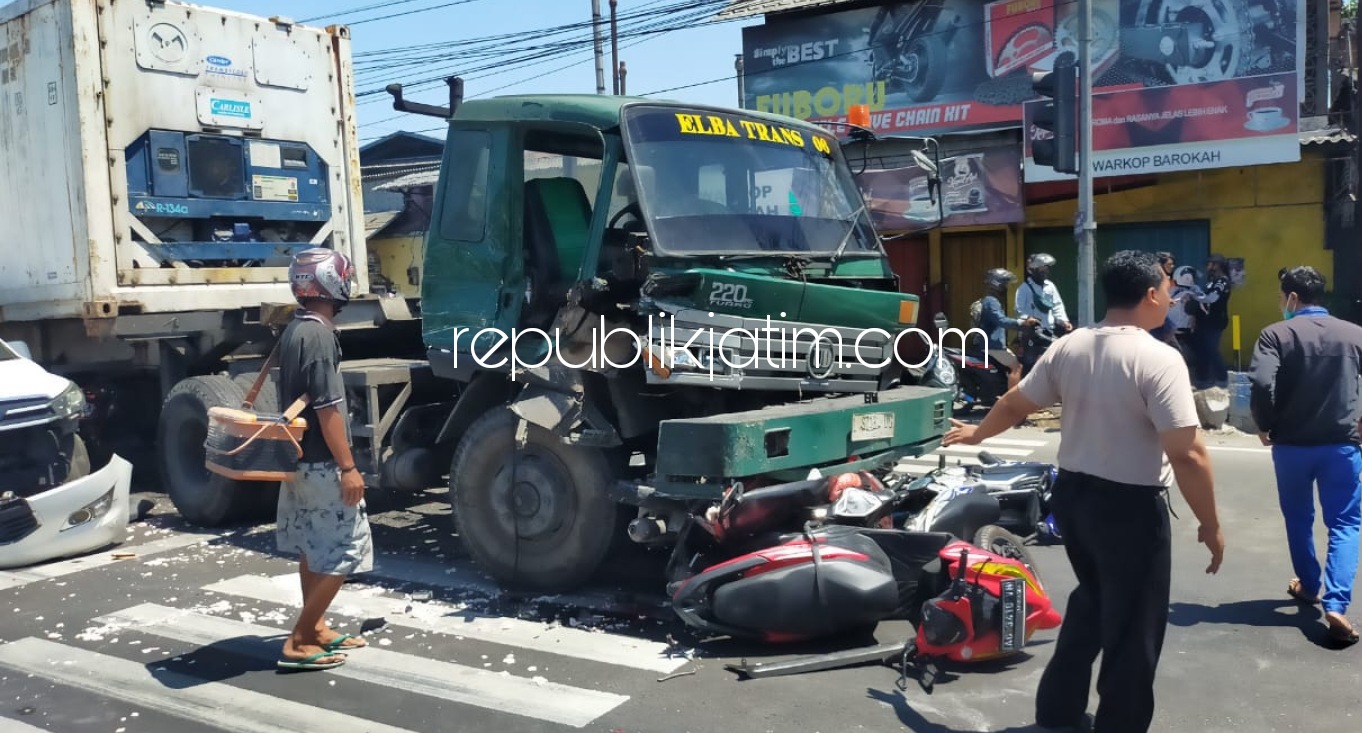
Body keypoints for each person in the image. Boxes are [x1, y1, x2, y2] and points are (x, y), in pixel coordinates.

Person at [944, 249, 1224, 733]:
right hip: (1129, 508)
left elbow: (1016, 401)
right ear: (1152, 294)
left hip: (1073, 500)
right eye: (1167, 285)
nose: (1171, 294)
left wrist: (977, 434)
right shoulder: (1158, 358)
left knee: (1094, 600)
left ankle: (1057, 710)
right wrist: (1211, 524)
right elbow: (1189, 453)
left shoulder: (1069, 347)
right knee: (1134, 630)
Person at [1248, 265, 1362, 646]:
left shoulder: (1275, 334)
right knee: (1345, 523)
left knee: (1298, 518)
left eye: (1283, 297)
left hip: (1292, 447)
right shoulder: (1354, 334)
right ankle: (1337, 603)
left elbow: (1263, 382)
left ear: (1292, 298)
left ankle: (1310, 586)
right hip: (1342, 446)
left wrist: (1265, 424)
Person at [274, 247, 375, 671]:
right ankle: (300, 638)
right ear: (333, 282)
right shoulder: (319, 335)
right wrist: (348, 468)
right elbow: (327, 408)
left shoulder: (296, 328)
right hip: (321, 463)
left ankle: (315, 628)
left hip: (298, 461)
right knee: (345, 547)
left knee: (313, 546)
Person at [977, 267, 1038, 391]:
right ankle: (1012, 401)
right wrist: (1023, 323)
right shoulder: (991, 301)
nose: (1006, 287)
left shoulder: (991, 300)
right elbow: (1002, 321)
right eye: (1005, 283)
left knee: (1014, 364)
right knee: (1016, 367)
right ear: (997, 284)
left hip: (994, 344)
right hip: (993, 346)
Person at [1015, 252, 1073, 375]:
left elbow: (1057, 305)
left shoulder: (1050, 286)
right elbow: (1019, 310)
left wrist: (1064, 321)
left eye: (1046, 269)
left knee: (1051, 363)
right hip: (1032, 333)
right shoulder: (1023, 289)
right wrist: (1028, 320)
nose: (1045, 272)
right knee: (1030, 365)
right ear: (1034, 270)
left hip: (1048, 331)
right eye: (1042, 269)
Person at [1186, 254, 1232, 389]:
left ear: (1218, 265)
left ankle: (1222, 379)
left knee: (1211, 350)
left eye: (1211, 264)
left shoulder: (1222, 282)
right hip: (1204, 320)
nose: (1208, 267)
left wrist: (1194, 296)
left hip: (1215, 321)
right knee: (1201, 350)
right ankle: (1202, 379)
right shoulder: (1211, 281)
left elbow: (1212, 298)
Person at [1148, 253, 1181, 349]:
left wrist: (1168, 300)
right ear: (1160, 265)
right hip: (1155, 318)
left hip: (1162, 317)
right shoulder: (1155, 279)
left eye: (1173, 264)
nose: (1172, 266)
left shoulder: (1166, 278)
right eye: (1169, 264)